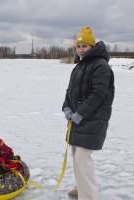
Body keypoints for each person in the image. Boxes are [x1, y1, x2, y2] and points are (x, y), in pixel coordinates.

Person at [62, 26, 115, 200]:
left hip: (92, 120)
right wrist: (67, 108)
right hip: (77, 121)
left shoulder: (101, 66)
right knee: (76, 156)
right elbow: (70, 91)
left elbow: (98, 95)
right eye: (79, 46)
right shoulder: (79, 66)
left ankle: (89, 196)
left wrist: (80, 113)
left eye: (85, 45)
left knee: (83, 159)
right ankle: (81, 188)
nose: (81, 49)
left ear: (92, 46)